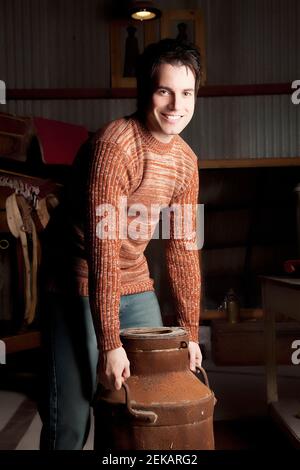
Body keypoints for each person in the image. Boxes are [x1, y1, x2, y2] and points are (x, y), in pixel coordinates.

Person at [39, 38, 203, 450]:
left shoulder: (186, 161)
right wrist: (109, 343)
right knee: (72, 417)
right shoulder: (115, 145)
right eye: (164, 90)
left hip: (134, 281)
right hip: (76, 277)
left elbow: (183, 249)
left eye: (186, 93)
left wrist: (190, 334)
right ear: (146, 91)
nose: (175, 105)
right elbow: (103, 250)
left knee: (137, 402)